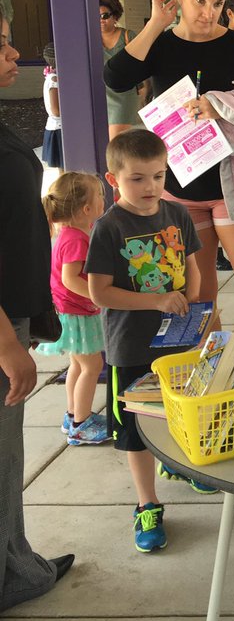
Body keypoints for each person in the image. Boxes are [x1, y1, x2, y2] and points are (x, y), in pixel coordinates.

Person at [104, 0, 234, 305]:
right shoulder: (161, 44)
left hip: (233, 186)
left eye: (216, 3)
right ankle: (208, 361)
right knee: (199, 293)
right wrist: (154, 24)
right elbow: (115, 77)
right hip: (180, 187)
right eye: (199, 1)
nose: (208, 13)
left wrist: (219, 105)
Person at [85, 129, 205, 551]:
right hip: (130, 348)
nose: (151, 187)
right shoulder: (109, 227)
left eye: (159, 175)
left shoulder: (177, 214)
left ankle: (181, 466)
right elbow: (100, 292)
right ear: (112, 178)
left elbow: (193, 268)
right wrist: (156, 300)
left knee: (179, 413)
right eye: (137, 178)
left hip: (178, 341)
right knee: (136, 429)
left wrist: (191, 295)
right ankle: (147, 502)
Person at [0, 16, 75, 621]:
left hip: (13, 321)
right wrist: (9, 346)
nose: (14, 51)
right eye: (0, 43)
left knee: (7, 459)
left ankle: (15, 569)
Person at [34, 171, 110, 445]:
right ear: (87, 208)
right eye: (100, 195)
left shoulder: (73, 233)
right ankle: (81, 424)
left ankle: (73, 415)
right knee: (92, 365)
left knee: (78, 365)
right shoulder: (76, 239)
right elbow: (69, 278)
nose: (104, 200)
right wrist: (97, 295)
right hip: (78, 312)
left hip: (71, 311)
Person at [99, 0, 143, 140]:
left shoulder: (128, 36)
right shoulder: (90, 39)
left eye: (105, 15)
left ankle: (114, 164)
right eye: (96, 16)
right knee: (102, 141)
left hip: (123, 95)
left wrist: (143, 89)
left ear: (115, 16)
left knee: (116, 140)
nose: (101, 20)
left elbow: (141, 65)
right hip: (99, 96)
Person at [40, 42, 62, 171]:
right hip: (58, 129)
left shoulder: (51, 76)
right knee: (63, 170)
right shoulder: (55, 80)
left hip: (55, 128)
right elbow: (56, 111)